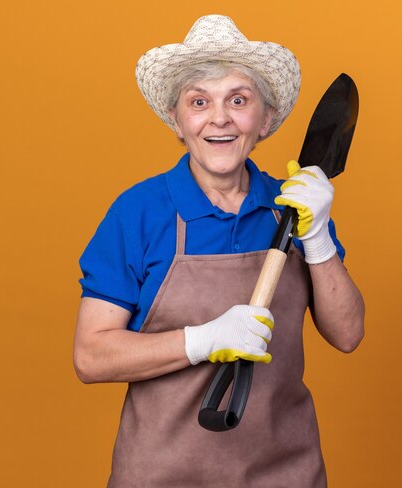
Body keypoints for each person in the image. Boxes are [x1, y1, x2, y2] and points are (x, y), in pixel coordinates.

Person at [74, 15, 364, 487]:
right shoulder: (139, 213)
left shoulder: (291, 207)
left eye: (238, 99)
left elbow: (348, 334)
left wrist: (319, 238)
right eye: (199, 102)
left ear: (265, 118)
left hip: (285, 471)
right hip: (162, 474)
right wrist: (202, 340)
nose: (220, 117)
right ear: (177, 120)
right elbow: (91, 355)